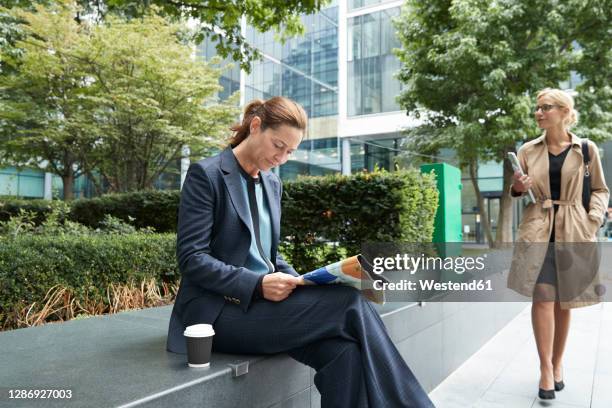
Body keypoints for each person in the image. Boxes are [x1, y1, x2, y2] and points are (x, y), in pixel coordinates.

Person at [166, 96, 434, 407]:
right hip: (218, 313)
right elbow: (192, 258)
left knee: (345, 354)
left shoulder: (271, 184)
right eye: (278, 145)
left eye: (290, 151)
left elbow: (268, 255)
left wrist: (304, 281)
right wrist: (256, 284)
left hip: (264, 308)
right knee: (349, 304)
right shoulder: (207, 175)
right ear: (255, 127)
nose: (282, 157)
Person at [508, 88, 609, 400]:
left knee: (566, 301)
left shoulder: (587, 149)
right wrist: (517, 185)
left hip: (574, 230)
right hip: (539, 229)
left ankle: (558, 361)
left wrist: (593, 219)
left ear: (564, 112)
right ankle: (545, 369)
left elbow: (601, 190)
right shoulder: (527, 150)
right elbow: (516, 191)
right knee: (542, 297)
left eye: (546, 107)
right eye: (537, 108)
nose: (539, 112)